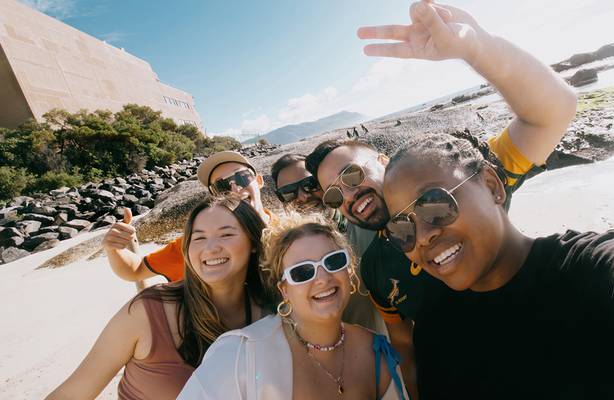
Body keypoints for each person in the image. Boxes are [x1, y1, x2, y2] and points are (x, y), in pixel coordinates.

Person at [305, 0, 577, 395]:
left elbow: (553, 111)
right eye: (334, 194)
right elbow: (404, 346)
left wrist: (476, 49)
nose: (349, 195)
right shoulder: (377, 266)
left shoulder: (456, 183)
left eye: (352, 173)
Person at [381, 132, 614, 399]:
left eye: (433, 205)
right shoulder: (434, 329)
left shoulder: (601, 271)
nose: (423, 235)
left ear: (493, 186)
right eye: (402, 228)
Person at [46, 196, 274, 400]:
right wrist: (114, 249)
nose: (211, 248)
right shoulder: (147, 313)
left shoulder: (274, 312)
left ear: (253, 242)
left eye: (226, 234)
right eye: (198, 238)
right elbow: (72, 393)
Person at [178, 213, 406, 399]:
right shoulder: (240, 354)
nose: (322, 277)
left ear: (349, 269)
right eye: (302, 272)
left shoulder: (376, 352)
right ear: (283, 290)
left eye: (333, 261)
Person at [102, 151, 269, 283]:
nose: (235, 190)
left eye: (242, 177)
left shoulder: (286, 229)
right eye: (222, 185)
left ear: (259, 181)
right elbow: (136, 270)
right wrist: (114, 249)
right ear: (215, 197)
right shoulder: (197, 245)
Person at [271, 153, 382, 331]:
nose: (302, 197)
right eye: (288, 193)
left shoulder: (368, 227)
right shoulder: (281, 258)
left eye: (309, 185)